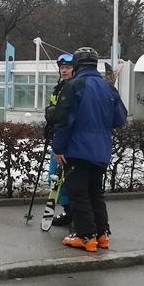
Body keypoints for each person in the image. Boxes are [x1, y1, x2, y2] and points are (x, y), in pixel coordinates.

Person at [52, 46, 128, 253]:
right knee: (96, 192)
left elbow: (63, 121)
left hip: (76, 149)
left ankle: (85, 236)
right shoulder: (109, 88)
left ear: (76, 65)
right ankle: (102, 235)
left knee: (78, 194)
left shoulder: (74, 86)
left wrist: (58, 148)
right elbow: (120, 118)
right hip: (101, 148)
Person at [44, 53, 75, 227]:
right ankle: (67, 209)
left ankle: (72, 212)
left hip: (68, 141)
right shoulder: (59, 87)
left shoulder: (74, 87)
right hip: (57, 137)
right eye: (62, 68)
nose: (64, 71)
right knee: (54, 178)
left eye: (68, 68)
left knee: (67, 179)